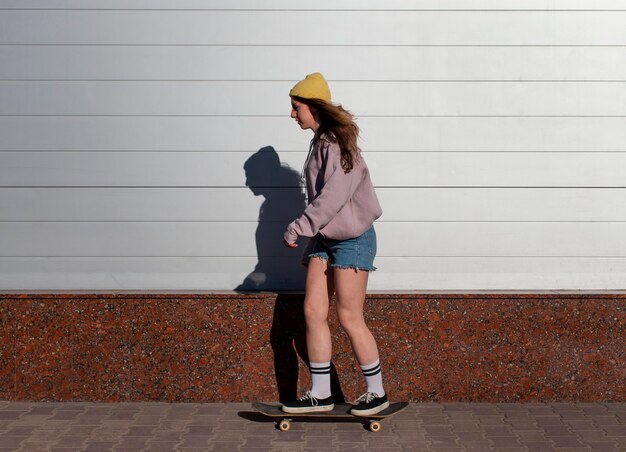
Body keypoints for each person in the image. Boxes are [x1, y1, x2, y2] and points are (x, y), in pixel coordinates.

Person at [281, 73, 388, 416]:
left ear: (314, 106)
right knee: (313, 311)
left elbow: (333, 198)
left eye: (297, 107)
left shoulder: (338, 144)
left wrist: (299, 227)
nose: (293, 114)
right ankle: (321, 394)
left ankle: (376, 392)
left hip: (353, 239)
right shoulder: (320, 142)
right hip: (326, 239)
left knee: (349, 316)